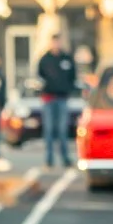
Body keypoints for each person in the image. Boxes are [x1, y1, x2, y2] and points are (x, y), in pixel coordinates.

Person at [36, 31, 78, 169]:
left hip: (62, 98)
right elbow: (39, 77)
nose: (56, 44)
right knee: (48, 129)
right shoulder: (45, 59)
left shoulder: (66, 58)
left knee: (62, 129)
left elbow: (73, 76)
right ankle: (49, 159)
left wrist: (68, 88)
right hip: (49, 98)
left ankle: (65, 158)